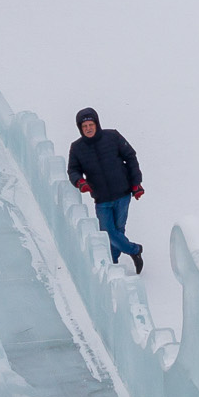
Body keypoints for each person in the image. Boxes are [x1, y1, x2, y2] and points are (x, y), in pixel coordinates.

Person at [66, 106, 143, 272]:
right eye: (84, 127)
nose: (88, 129)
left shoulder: (113, 137)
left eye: (91, 125)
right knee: (108, 232)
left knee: (118, 230)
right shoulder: (77, 148)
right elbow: (73, 170)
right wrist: (80, 182)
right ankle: (135, 250)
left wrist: (136, 184)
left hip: (122, 194)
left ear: (97, 124)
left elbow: (130, 157)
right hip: (101, 199)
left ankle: (112, 262)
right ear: (80, 128)